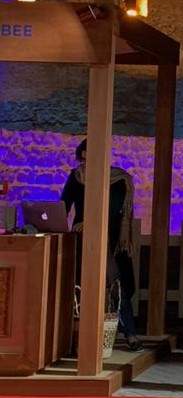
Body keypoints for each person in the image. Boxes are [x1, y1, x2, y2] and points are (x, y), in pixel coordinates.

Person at [61, 138, 141, 350]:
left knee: (119, 285)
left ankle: (130, 333)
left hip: (113, 239)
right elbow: (64, 205)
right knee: (81, 285)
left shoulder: (119, 180)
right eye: (83, 159)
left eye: (91, 158)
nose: (86, 164)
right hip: (83, 238)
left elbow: (114, 209)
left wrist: (93, 222)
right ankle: (78, 337)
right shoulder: (76, 177)